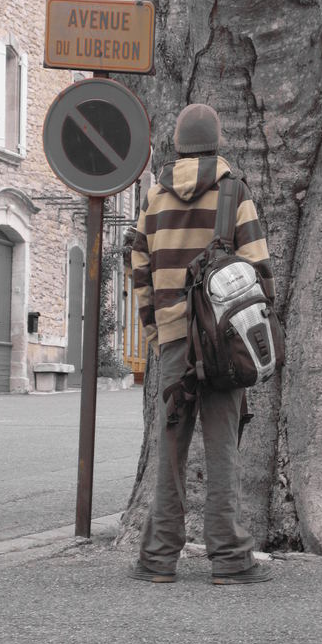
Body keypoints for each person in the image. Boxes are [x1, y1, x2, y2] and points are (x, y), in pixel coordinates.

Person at [128, 103, 275, 585]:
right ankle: (230, 559)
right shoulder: (235, 191)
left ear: (178, 144)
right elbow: (258, 270)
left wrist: (159, 334)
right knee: (222, 450)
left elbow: (139, 269)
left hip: (174, 343)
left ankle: (157, 560)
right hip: (223, 343)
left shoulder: (154, 198)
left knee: (170, 451)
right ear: (216, 142)